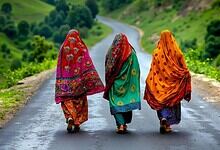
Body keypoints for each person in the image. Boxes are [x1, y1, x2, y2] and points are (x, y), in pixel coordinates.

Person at [55, 29, 104, 133]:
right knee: (80, 101)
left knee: (66, 100)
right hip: (80, 82)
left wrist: (60, 81)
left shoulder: (63, 48)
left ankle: (70, 117)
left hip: (65, 83)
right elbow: (87, 63)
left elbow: (59, 66)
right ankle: (77, 122)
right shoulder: (81, 48)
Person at [144, 30, 191, 134]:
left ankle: (163, 119)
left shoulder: (156, 53)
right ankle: (167, 123)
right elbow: (183, 68)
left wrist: (149, 81)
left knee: (161, 102)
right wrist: (185, 75)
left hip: (159, 84)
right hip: (173, 85)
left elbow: (153, 69)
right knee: (171, 102)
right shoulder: (177, 52)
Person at [104, 33, 141, 134]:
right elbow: (136, 70)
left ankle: (120, 124)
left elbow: (108, 68)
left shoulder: (112, 52)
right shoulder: (131, 53)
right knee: (126, 102)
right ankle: (122, 124)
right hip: (128, 85)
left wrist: (109, 81)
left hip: (115, 84)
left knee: (115, 103)